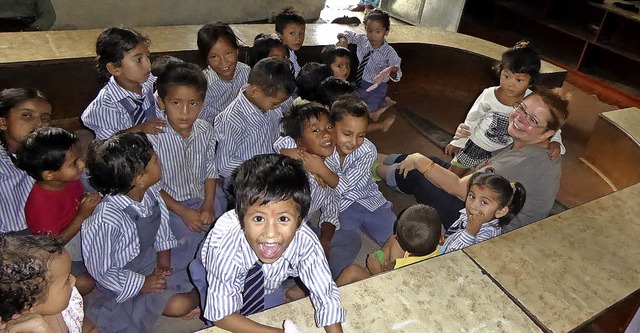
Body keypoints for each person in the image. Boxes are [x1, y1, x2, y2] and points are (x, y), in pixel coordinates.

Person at [376, 87, 569, 232]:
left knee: (418, 173)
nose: (521, 118)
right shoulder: (529, 143)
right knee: (433, 161)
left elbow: (458, 188)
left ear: (549, 133)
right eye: (522, 108)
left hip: (487, 230)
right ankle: (376, 157)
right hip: (489, 202)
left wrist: (417, 160)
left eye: (533, 120)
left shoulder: (524, 163)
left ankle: (369, 166)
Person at [190, 154, 345, 332]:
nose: (270, 234)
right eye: (258, 218)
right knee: (221, 319)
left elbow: (325, 294)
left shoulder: (305, 240)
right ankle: (201, 295)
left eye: (283, 219)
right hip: (214, 270)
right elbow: (221, 315)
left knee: (269, 316)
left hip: (267, 282)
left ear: (301, 220)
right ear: (240, 217)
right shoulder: (226, 245)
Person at [82, 133, 199, 333]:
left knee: (179, 302)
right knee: (95, 323)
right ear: (140, 179)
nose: (159, 160)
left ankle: (203, 290)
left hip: (150, 264)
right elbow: (101, 270)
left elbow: (162, 232)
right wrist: (141, 283)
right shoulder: (104, 221)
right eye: (155, 160)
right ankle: (199, 292)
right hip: (118, 281)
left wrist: (163, 264)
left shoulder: (152, 193)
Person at [280, 96, 397, 248]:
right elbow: (282, 145)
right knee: (347, 241)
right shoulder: (325, 146)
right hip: (342, 207)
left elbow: (345, 188)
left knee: (394, 236)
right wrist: (304, 158)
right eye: (347, 134)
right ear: (332, 127)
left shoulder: (367, 151)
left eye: (361, 135)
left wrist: (320, 169)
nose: (354, 142)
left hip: (369, 200)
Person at [444, 41, 565, 177]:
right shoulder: (489, 95)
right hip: (476, 145)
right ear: (500, 70)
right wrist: (458, 142)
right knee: (452, 175)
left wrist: (555, 142)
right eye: (506, 76)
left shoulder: (532, 100)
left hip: (501, 152)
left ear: (531, 81)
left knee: (475, 181)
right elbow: (472, 119)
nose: (510, 84)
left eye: (519, 80)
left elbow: (551, 124)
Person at [277, 102, 362, 278]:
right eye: (315, 130)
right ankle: (294, 280)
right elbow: (280, 143)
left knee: (351, 240)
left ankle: (311, 283)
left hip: (304, 226)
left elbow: (332, 206)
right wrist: (304, 160)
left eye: (329, 127)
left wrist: (325, 240)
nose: (326, 134)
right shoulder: (289, 166)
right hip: (281, 231)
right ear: (300, 143)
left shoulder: (330, 167)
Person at [147, 63, 217, 270]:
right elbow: (151, 186)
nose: (185, 112)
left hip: (202, 197)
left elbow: (210, 168)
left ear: (203, 103)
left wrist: (209, 203)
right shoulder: (154, 137)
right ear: (161, 102)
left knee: (219, 229)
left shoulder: (205, 130)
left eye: (193, 103)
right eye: (176, 102)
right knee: (188, 239)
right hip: (168, 205)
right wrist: (183, 212)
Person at [15, 126, 101, 295]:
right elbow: (53, 245)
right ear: (48, 174)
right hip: (61, 247)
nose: (82, 164)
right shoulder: (41, 204)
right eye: (74, 162)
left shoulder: (67, 179)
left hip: (79, 227)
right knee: (87, 282)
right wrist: (82, 215)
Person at [213, 57, 296, 210]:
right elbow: (224, 165)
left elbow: (278, 135)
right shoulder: (233, 119)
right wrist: (261, 169)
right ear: (256, 91)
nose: (278, 106)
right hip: (244, 182)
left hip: (270, 172)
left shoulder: (270, 105)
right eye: (275, 102)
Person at [81, 27, 166, 140]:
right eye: (138, 60)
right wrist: (139, 129)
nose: (148, 65)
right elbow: (107, 144)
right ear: (114, 68)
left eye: (148, 57)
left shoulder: (155, 82)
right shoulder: (104, 106)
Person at [0, 233, 90, 333]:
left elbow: (78, 319)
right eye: (66, 281)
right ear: (30, 307)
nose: (74, 280)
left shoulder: (64, 302)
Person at [334, 204, 443, 286]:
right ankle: (328, 298)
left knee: (353, 272)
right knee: (352, 271)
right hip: (388, 273)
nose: (394, 237)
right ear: (441, 238)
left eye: (397, 236)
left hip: (393, 291)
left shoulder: (416, 271)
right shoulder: (441, 247)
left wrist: (378, 273)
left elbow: (396, 294)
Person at [0, 88, 52, 233]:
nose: (38, 124)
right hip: (10, 239)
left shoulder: (45, 152)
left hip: (41, 231)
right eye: (27, 115)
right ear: (3, 123)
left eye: (45, 118)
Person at [443, 172, 526, 253]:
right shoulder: (472, 214)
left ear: (500, 212)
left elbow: (453, 257)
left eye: (484, 202)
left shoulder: (487, 238)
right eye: (472, 196)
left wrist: (470, 233)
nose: (473, 205)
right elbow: (452, 232)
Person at [337, 9, 401, 113]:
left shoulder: (389, 53)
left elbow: (397, 75)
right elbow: (347, 33)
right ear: (365, 28)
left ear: (386, 32)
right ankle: (385, 102)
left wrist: (392, 72)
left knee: (367, 109)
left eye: (378, 32)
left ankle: (382, 105)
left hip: (378, 88)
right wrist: (344, 40)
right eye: (369, 30)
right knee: (349, 103)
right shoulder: (363, 41)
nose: (373, 35)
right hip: (361, 83)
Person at [197, 23, 251, 124]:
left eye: (228, 53)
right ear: (207, 60)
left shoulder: (246, 72)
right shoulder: (203, 85)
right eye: (214, 57)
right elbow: (199, 122)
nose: (223, 62)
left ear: (237, 51)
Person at [275, 7, 306, 77]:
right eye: (292, 33)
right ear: (280, 34)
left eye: (301, 33)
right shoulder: (276, 57)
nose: (298, 38)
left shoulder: (292, 54)